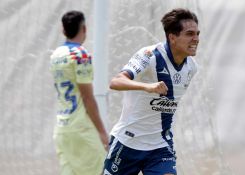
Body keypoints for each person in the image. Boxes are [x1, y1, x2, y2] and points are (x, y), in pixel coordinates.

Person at [103, 8, 200, 175]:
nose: (196, 39)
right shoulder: (149, 56)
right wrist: (147, 87)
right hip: (128, 142)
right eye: (190, 33)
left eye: (198, 33)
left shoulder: (192, 68)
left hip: (160, 146)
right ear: (172, 37)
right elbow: (115, 82)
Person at [50, 10, 109, 175]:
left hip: (62, 129)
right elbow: (87, 97)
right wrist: (102, 132)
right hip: (81, 129)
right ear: (84, 28)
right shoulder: (80, 55)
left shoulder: (55, 55)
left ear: (63, 30)